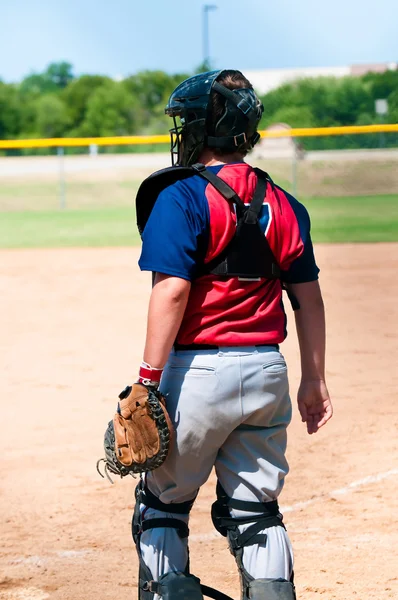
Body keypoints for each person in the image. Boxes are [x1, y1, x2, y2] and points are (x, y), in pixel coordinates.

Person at [132, 69, 333, 600]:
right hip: (267, 370)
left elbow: (172, 292)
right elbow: (307, 298)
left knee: (163, 505)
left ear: (203, 127)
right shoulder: (285, 203)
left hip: (197, 372)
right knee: (256, 509)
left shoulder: (180, 197)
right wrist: (314, 379)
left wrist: (147, 382)